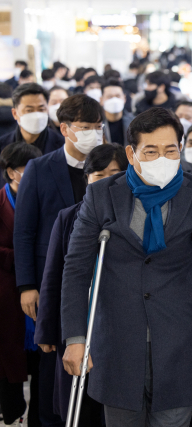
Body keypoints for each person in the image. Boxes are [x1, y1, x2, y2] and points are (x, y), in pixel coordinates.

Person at [58, 107, 192, 426]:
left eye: (170, 150)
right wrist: (74, 338)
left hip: (181, 341)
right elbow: (76, 268)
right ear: (131, 152)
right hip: (118, 341)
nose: (162, 158)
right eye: (151, 151)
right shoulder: (101, 195)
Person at [13, 94, 103, 426]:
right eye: (84, 127)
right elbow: (23, 231)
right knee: (51, 365)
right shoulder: (40, 167)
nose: (93, 134)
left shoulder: (109, 166)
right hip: (51, 282)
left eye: (97, 127)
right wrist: (27, 286)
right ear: (64, 129)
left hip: (100, 280)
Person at [34, 144, 128, 424]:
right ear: (86, 178)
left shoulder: (137, 217)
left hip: (120, 324)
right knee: (79, 402)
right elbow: (54, 278)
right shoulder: (68, 217)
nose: (108, 181)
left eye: (117, 173)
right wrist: (47, 331)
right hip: (80, 324)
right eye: (99, 174)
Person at [0, 142, 42, 427]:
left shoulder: (43, 197)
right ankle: (13, 413)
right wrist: (25, 254)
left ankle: (39, 416)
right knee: (8, 358)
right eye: (28, 168)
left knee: (42, 358)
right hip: (6, 292)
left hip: (41, 286)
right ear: (12, 172)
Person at [0, 84, 64, 171]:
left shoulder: (62, 147)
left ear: (47, 110)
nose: (36, 115)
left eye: (41, 109)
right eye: (29, 110)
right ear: (15, 113)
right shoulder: (3, 145)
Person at [101, 79, 134, 145]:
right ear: (101, 100)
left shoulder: (134, 123)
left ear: (124, 98)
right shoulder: (97, 126)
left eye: (118, 96)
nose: (114, 100)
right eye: (109, 97)